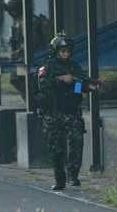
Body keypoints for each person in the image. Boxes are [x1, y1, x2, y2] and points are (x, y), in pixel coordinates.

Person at [37, 33, 101, 190]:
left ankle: (73, 175)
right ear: (56, 51)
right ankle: (59, 179)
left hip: (71, 112)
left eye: (67, 51)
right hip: (53, 113)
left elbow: (80, 83)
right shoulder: (47, 67)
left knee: (76, 143)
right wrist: (60, 79)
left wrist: (85, 88)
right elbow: (43, 85)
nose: (65, 54)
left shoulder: (74, 66)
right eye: (62, 51)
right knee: (56, 149)